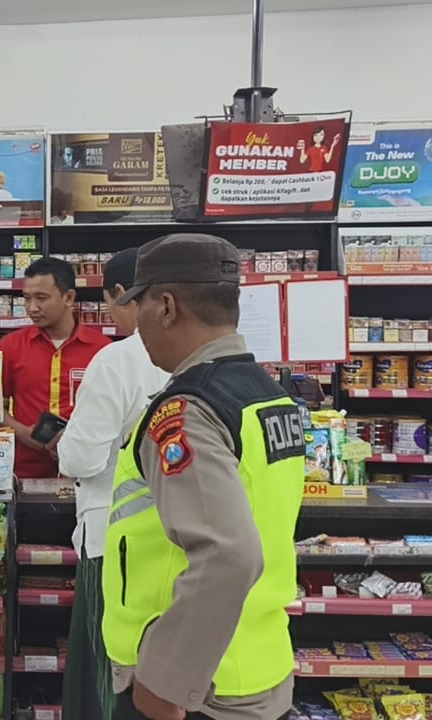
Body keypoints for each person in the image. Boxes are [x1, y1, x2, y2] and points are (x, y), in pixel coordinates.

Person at [100, 234, 305, 720]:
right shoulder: (267, 394)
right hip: (255, 661)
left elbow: (227, 553)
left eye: (140, 305)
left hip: (196, 689)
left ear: (167, 307)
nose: (137, 323)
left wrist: (167, 680)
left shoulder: (188, 410)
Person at [56, 248, 169, 720]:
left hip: (114, 541)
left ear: (124, 294)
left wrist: (66, 441)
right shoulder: (202, 357)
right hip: (180, 546)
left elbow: (79, 458)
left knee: (106, 674)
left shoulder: (116, 360)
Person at [0, 256, 110, 479]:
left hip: (86, 474)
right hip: (25, 474)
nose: (32, 307)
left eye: (41, 298)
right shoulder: (10, 346)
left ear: (68, 298)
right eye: (27, 298)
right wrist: (23, 433)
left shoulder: (103, 349)